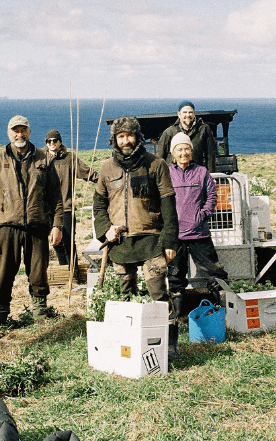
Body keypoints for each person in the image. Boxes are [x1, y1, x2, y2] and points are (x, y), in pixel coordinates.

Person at [93, 116, 180, 357]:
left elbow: (168, 205)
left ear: (138, 137)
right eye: (121, 136)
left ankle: (169, 346)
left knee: (158, 294)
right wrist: (105, 229)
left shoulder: (156, 164)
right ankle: (128, 346)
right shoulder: (106, 168)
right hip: (120, 243)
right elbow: (99, 205)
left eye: (130, 135)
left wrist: (170, 241)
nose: (126, 141)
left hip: (151, 240)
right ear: (114, 140)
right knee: (125, 296)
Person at [0, 116, 64, 325]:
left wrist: (57, 225)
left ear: (29, 132)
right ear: (9, 133)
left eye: (23, 130)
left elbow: (56, 197)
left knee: (38, 271)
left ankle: (40, 315)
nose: (20, 134)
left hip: (38, 224)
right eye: (15, 131)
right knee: (3, 272)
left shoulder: (44, 159)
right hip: (7, 225)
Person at [167, 133, 228, 311]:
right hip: (175, 235)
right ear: (173, 153)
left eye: (187, 149)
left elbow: (212, 196)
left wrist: (203, 214)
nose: (183, 153)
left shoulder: (202, 172)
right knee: (175, 277)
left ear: (191, 151)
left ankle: (222, 310)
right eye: (179, 149)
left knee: (214, 273)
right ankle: (177, 314)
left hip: (199, 233)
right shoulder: (167, 173)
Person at [44, 129, 98, 266]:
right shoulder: (41, 159)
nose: (52, 143)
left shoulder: (69, 159)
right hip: (47, 210)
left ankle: (74, 271)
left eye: (54, 140)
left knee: (68, 242)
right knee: (56, 243)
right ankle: (64, 269)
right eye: (49, 141)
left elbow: (87, 172)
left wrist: (103, 181)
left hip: (66, 208)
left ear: (60, 142)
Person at [155, 101, 218, 172]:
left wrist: (211, 174)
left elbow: (210, 155)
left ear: (194, 114)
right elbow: (160, 156)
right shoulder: (169, 132)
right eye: (184, 112)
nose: (188, 115)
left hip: (195, 173)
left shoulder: (203, 130)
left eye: (190, 112)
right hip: (173, 174)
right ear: (179, 114)